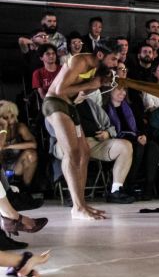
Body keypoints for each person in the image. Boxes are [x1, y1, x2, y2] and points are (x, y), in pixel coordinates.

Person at [43, 49, 115, 220]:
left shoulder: (97, 68)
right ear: (100, 55)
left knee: (84, 152)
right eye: (113, 59)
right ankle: (77, 207)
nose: (115, 63)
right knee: (72, 153)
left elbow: (79, 94)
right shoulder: (80, 61)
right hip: (55, 103)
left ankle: (81, 204)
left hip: (70, 106)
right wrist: (91, 84)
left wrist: (99, 84)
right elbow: (60, 90)